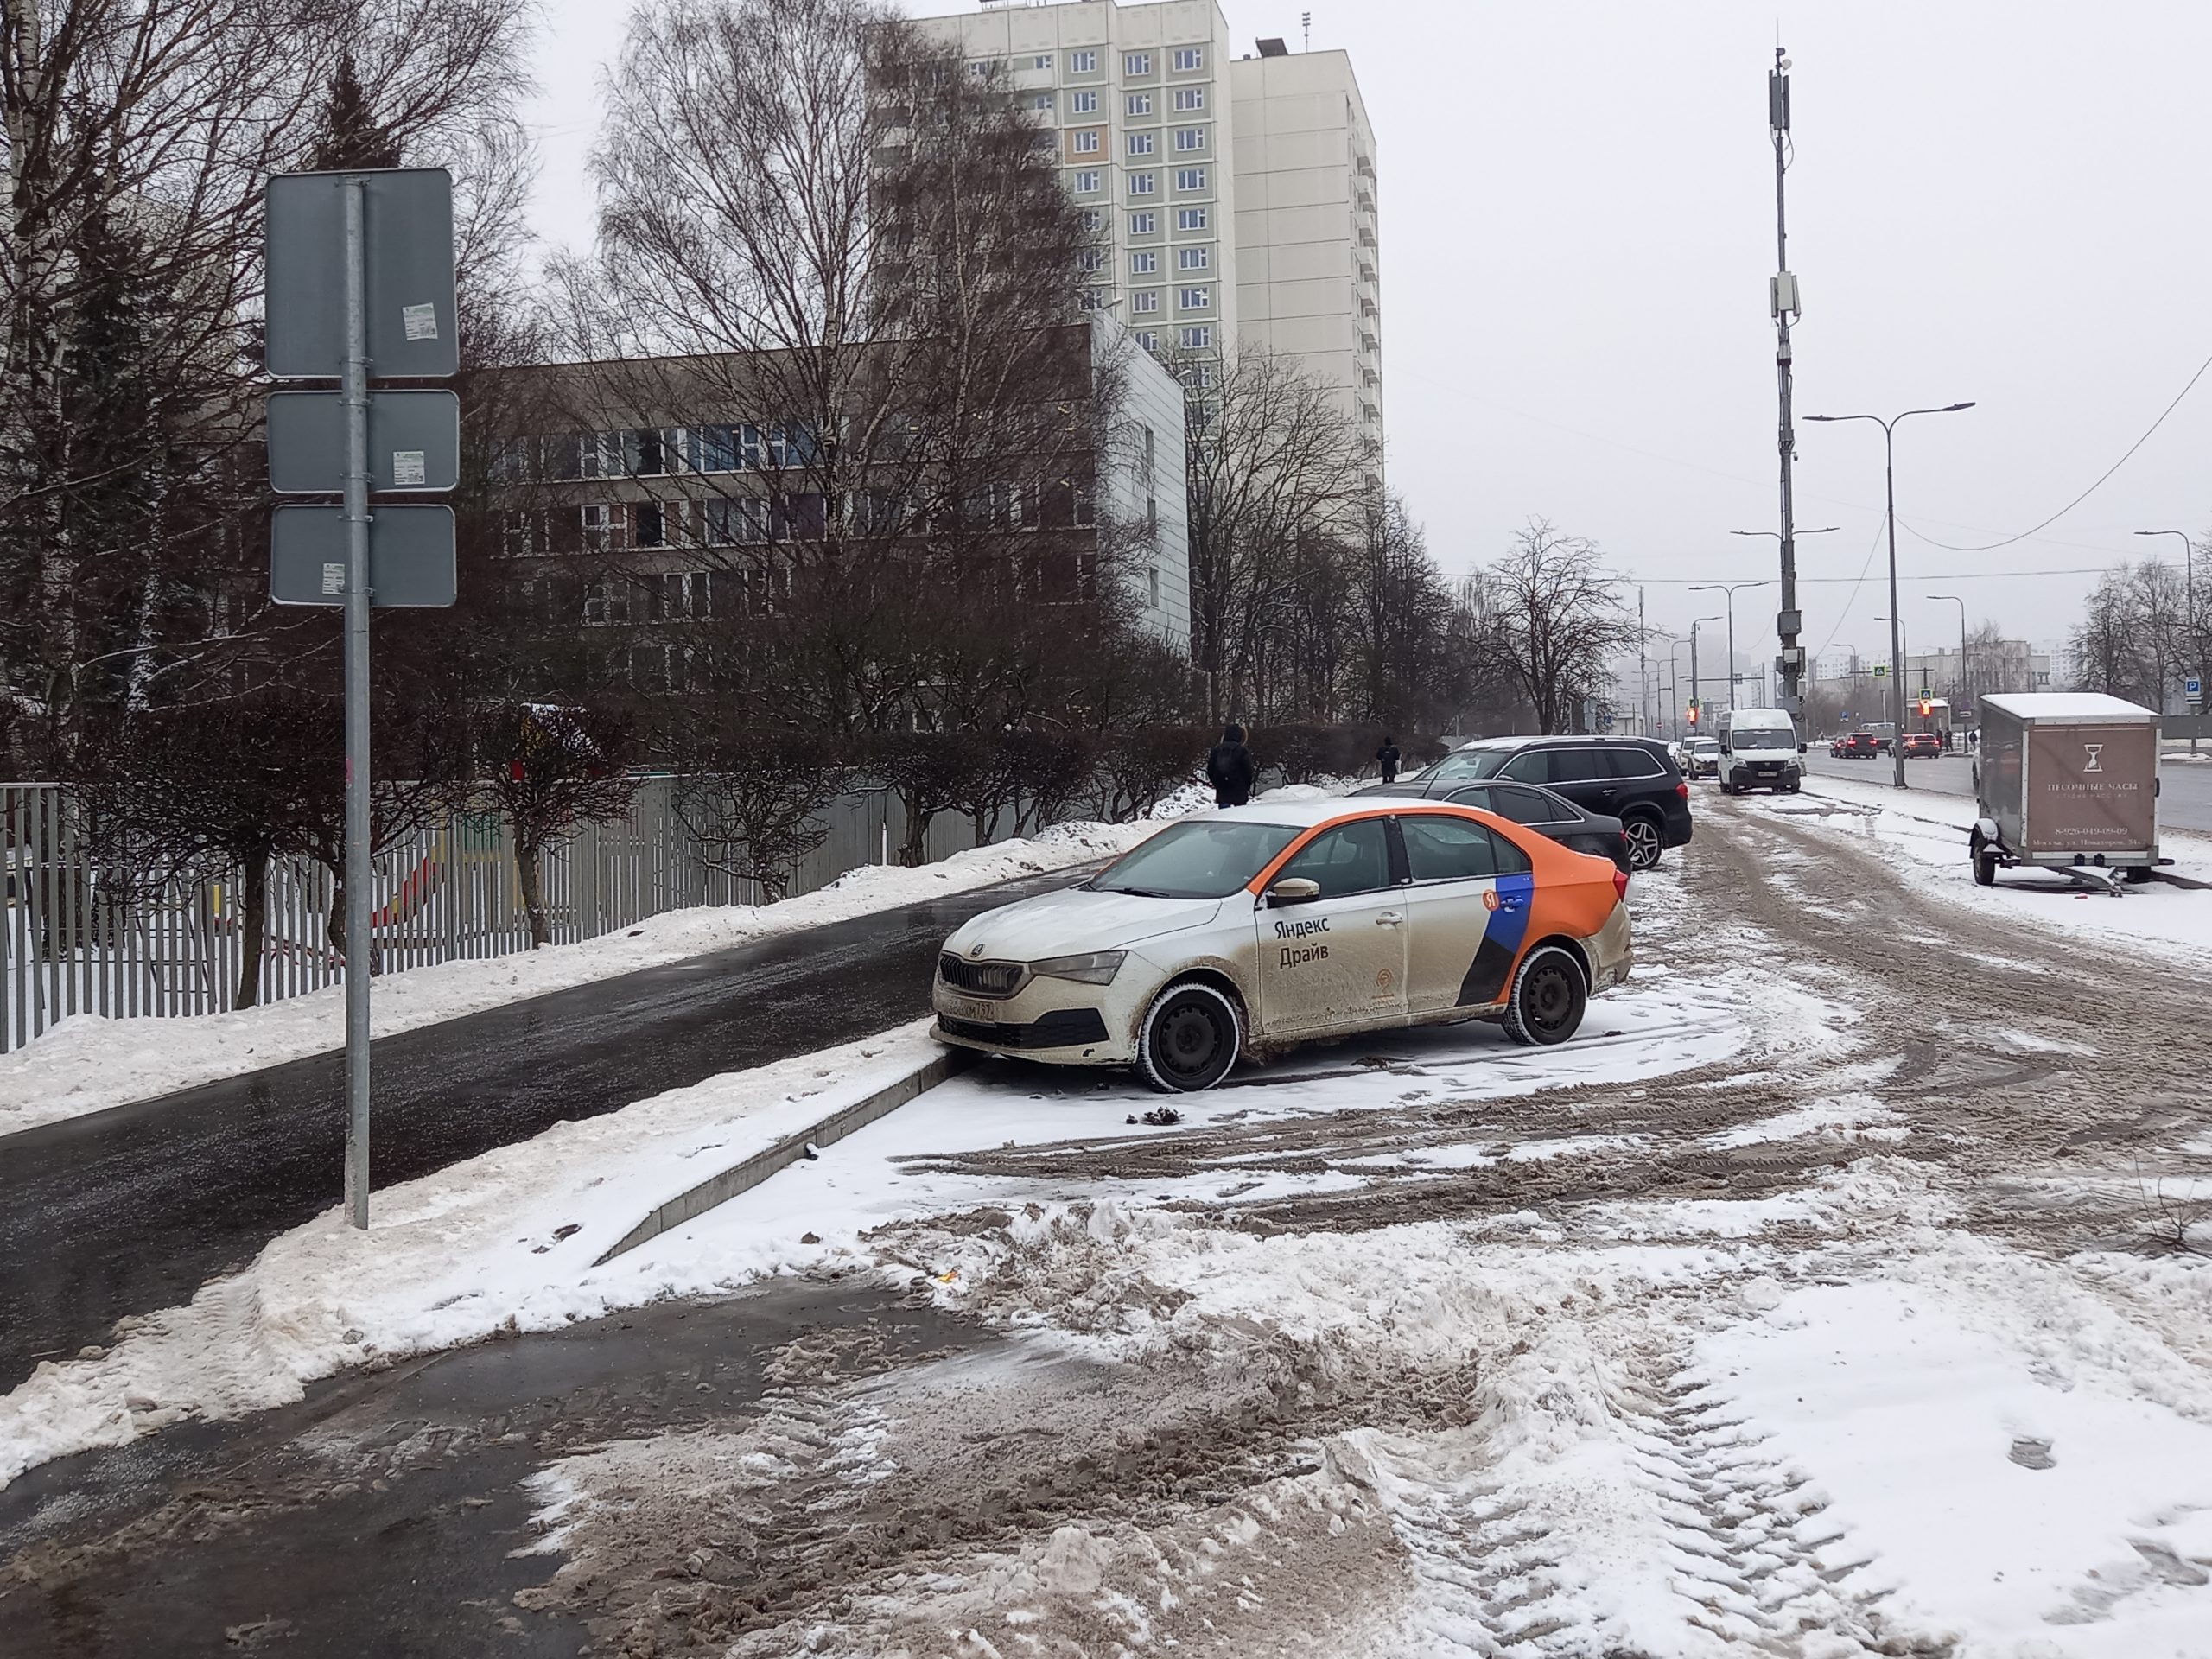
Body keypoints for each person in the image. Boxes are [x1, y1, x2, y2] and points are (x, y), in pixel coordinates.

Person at [1206, 722, 1255, 808]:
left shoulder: (1217, 749)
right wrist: (1245, 787)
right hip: (1239, 790)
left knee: (1224, 814)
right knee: (1238, 815)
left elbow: (1210, 769)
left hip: (1223, 789)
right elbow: (1248, 771)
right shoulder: (1242, 750)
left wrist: (1218, 784)